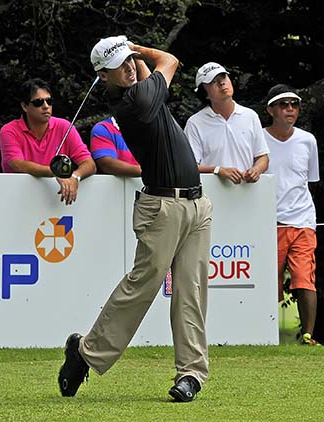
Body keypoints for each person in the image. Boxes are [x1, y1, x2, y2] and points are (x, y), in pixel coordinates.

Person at [57, 35, 212, 403]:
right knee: (142, 285)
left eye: (129, 62)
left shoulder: (142, 90)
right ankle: (86, 352)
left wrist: (130, 55)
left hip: (197, 204)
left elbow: (150, 75)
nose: (128, 68)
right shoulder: (133, 102)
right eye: (118, 66)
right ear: (102, 76)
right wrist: (141, 50)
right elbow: (170, 60)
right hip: (161, 208)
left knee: (191, 291)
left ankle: (191, 374)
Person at [263, 84, 320, 345]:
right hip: (267, 221)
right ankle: (266, 335)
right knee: (269, 281)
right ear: (270, 110)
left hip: (302, 219)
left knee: (304, 278)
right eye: (283, 104)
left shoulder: (308, 140)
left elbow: (309, 180)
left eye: (294, 105)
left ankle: (308, 336)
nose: (290, 109)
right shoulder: (258, 138)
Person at [0, 78, 96, 205]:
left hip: (54, 203)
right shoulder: (9, 130)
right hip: (16, 202)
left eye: (49, 101)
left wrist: (74, 176)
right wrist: (55, 173)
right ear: (24, 106)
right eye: (38, 102)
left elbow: (89, 164)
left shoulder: (65, 127)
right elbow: (18, 165)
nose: (46, 106)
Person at [184, 62, 269, 184]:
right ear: (205, 94)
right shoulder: (195, 123)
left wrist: (256, 170)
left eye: (223, 77)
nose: (221, 83)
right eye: (213, 81)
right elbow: (189, 166)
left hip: (248, 194)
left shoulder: (250, 116)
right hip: (211, 196)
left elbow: (262, 157)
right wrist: (217, 170)